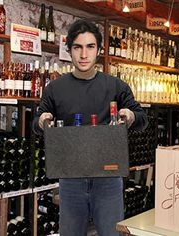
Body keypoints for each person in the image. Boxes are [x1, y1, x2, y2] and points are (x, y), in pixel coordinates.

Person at [32, 19, 148, 236]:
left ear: (99, 50)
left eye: (90, 47)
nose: (84, 54)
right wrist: (41, 120)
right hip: (70, 179)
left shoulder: (116, 86)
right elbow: (36, 124)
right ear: (69, 50)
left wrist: (131, 116)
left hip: (108, 180)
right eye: (77, 47)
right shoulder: (55, 89)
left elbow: (143, 118)